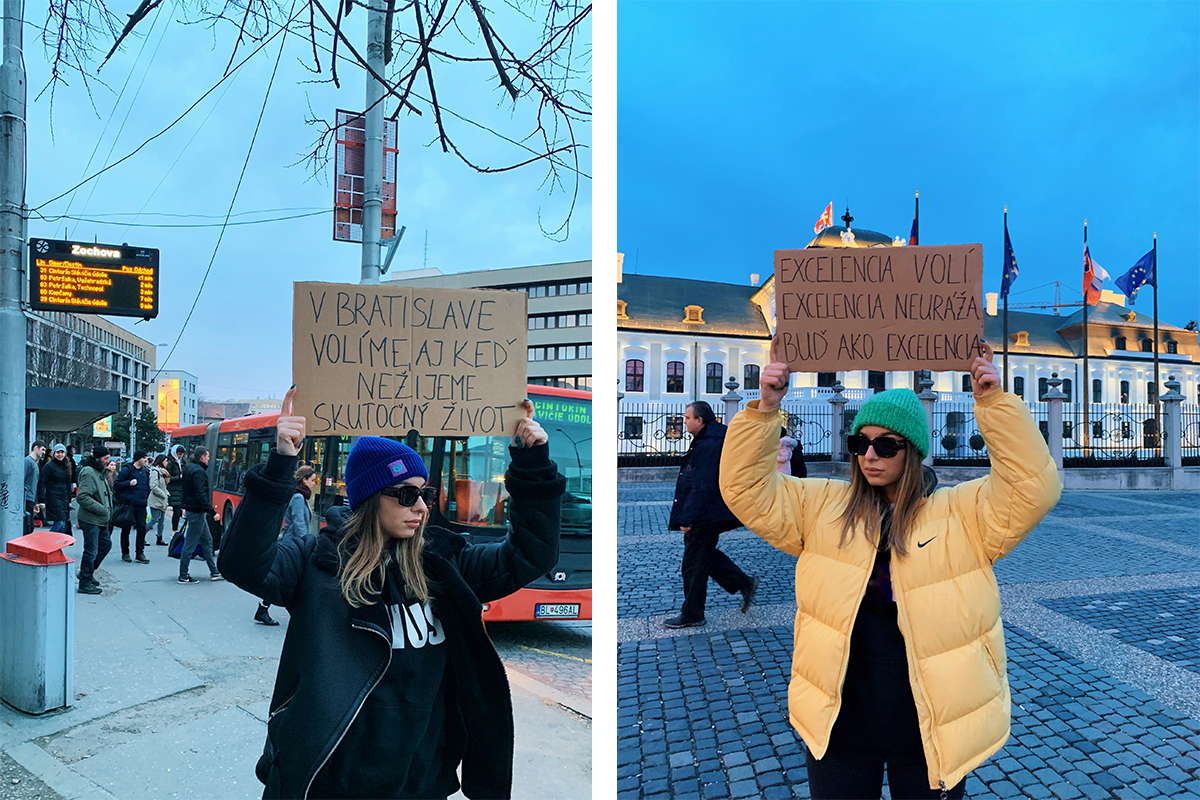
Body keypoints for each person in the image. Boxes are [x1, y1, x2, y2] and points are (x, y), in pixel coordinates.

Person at [719, 340, 1062, 800]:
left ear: (913, 450)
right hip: (840, 719)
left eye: (886, 444)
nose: (870, 455)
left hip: (930, 723)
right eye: (860, 443)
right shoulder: (822, 506)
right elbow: (744, 489)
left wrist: (992, 402)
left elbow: (1033, 487)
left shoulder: (962, 514)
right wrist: (766, 409)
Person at [219, 388, 564, 800]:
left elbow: (530, 555)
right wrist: (280, 465)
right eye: (405, 494)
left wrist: (532, 462)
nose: (419, 506)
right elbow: (242, 563)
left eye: (425, 494)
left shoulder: (444, 565)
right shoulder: (317, 563)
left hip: (420, 780)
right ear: (368, 498)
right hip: (331, 779)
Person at [665, 400, 758, 629]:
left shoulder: (708, 444)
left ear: (700, 420)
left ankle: (693, 614)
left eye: (688, 418)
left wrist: (688, 519)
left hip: (706, 512)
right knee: (702, 556)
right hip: (712, 510)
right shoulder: (712, 438)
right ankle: (744, 583)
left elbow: (701, 485)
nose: (684, 421)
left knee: (693, 564)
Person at [253, 465, 321, 627]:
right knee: (290, 579)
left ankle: (265, 610)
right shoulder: (298, 497)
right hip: (294, 544)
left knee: (288, 580)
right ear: (304, 479)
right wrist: (305, 545)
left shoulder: (300, 496)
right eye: (312, 480)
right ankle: (270, 611)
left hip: (294, 543)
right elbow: (299, 523)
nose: (313, 484)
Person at [179, 446, 222, 584]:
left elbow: (184, 490)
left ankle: (214, 571)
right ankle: (183, 576)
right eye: (208, 456)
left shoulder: (189, 469)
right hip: (197, 512)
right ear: (202, 457)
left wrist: (183, 506)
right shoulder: (199, 472)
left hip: (195, 510)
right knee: (190, 544)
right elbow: (201, 495)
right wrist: (212, 511)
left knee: (207, 541)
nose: (208, 459)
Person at [75, 447, 114, 595]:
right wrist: (103, 509)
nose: (107, 461)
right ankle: (85, 582)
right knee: (91, 551)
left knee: (105, 545)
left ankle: (88, 573)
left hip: (100, 519)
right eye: (105, 458)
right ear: (97, 458)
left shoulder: (100, 472)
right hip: (91, 519)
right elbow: (82, 497)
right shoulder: (89, 472)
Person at [114, 450, 152, 564]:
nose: (146, 460)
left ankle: (139, 553)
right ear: (138, 458)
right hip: (129, 505)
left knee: (141, 528)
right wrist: (128, 484)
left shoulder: (145, 471)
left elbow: (147, 486)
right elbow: (117, 484)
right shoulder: (127, 470)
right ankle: (125, 552)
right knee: (126, 529)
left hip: (141, 504)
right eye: (144, 457)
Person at [39, 444, 74, 533]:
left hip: (64, 498)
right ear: (54, 453)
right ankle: (49, 542)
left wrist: (69, 500)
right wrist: (41, 500)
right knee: (59, 523)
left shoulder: (67, 465)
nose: (60, 455)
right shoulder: (48, 466)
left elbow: (68, 483)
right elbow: (42, 483)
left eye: (62, 452)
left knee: (63, 525)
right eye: (58, 452)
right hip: (52, 497)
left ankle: (56, 544)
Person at [147, 454, 171, 546]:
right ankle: (142, 536)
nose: (167, 463)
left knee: (161, 520)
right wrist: (163, 494)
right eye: (165, 461)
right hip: (156, 500)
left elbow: (163, 486)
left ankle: (159, 538)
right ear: (161, 462)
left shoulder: (163, 473)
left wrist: (166, 493)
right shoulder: (155, 472)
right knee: (154, 519)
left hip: (162, 500)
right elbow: (153, 486)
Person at [24, 440, 47, 535]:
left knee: (29, 526)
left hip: (30, 498)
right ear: (35, 448)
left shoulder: (33, 463)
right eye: (42, 449)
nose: (44, 452)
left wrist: (35, 502)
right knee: (27, 527)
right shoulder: (28, 462)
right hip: (27, 498)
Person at [167, 444, 186, 537]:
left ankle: (175, 531)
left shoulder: (181, 462)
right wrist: (179, 477)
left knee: (178, 511)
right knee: (176, 510)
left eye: (181, 454)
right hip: (172, 490)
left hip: (179, 490)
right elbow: (167, 478)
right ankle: (174, 531)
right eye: (179, 453)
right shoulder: (170, 463)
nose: (180, 456)